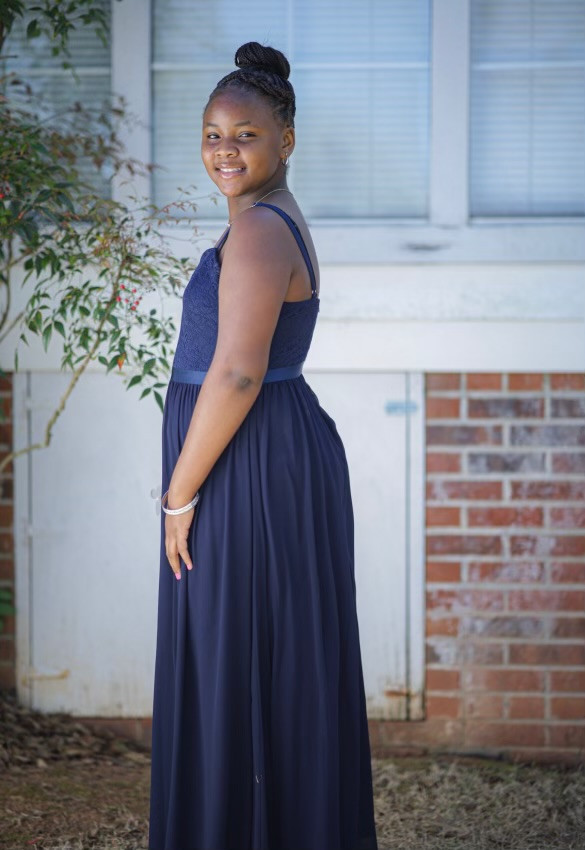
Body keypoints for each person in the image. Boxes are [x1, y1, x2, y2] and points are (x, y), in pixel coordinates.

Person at [148, 40, 379, 850]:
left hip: (247, 466)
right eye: (212, 134)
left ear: (285, 140)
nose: (225, 149)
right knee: (262, 658)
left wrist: (178, 495)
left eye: (244, 135)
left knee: (236, 656)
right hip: (259, 455)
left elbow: (238, 373)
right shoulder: (266, 222)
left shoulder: (258, 234)